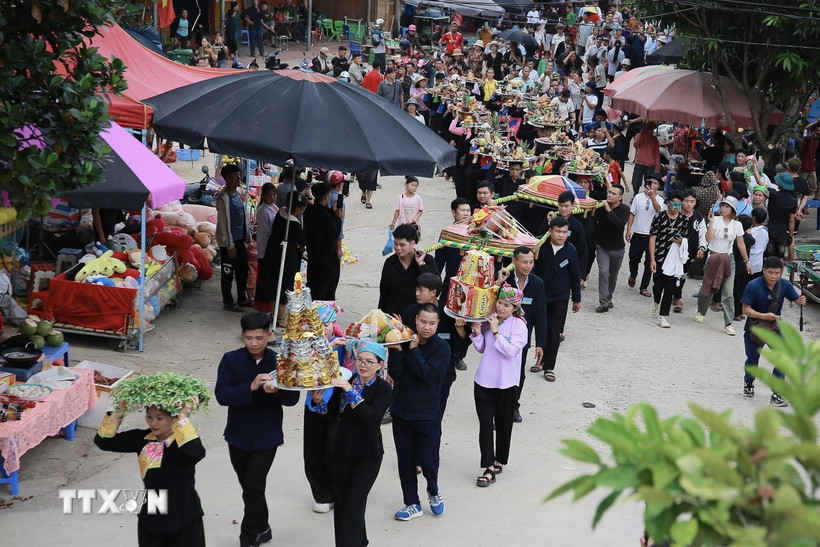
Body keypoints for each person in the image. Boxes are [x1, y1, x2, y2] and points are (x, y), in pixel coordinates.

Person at [215, 312, 300, 547]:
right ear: (242, 336)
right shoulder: (230, 360)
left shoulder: (281, 361)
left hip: (267, 436)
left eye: (259, 338)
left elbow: (292, 400)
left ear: (269, 335)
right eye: (249, 338)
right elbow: (222, 395)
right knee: (250, 487)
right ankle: (263, 527)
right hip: (237, 435)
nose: (254, 343)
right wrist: (250, 387)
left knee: (253, 485)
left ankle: (248, 537)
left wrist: (278, 392)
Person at [308, 341, 392, 547]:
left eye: (369, 362)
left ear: (380, 365)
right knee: (343, 504)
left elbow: (371, 419)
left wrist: (350, 391)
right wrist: (319, 403)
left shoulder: (383, 389)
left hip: (368, 455)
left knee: (355, 506)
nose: (363, 365)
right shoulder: (348, 380)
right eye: (360, 360)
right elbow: (332, 415)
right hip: (342, 451)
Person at [94, 395, 205, 546]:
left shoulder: (184, 441)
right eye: (149, 417)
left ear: (173, 418)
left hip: (184, 516)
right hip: (152, 517)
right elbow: (103, 441)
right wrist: (119, 410)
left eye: (160, 418)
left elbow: (196, 453)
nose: (153, 423)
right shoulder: (142, 439)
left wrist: (182, 418)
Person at [388, 302, 450, 521]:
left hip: (427, 414)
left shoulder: (442, 348)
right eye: (423, 322)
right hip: (402, 412)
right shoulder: (404, 341)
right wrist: (396, 351)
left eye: (432, 323)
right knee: (405, 461)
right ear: (415, 320)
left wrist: (413, 351)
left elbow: (427, 375)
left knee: (429, 460)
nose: (426, 327)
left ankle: (433, 489)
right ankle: (412, 503)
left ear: (437, 324)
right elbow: (395, 373)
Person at [470, 284, 528, 487]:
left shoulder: (519, 326)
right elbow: (482, 349)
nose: (501, 308)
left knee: (504, 424)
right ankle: (488, 467)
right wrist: (478, 332)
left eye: (506, 305)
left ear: (515, 308)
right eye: (500, 303)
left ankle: (499, 459)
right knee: (485, 425)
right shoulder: (489, 321)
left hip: (507, 383)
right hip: (484, 381)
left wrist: (496, 332)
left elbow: (510, 351)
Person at [741, 256, 807, 406]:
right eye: (770, 272)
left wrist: (800, 301)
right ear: (763, 271)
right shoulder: (753, 285)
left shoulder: (785, 284)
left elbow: (796, 300)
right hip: (754, 328)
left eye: (777, 273)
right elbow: (745, 309)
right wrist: (763, 316)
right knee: (752, 359)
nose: (773, 276)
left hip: (775, 327)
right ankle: (748, 383)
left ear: (781, 272)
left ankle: (776, 394)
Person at [303, 303, 348, 514]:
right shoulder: (304, 345)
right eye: (319, 324)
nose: (324, 329)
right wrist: (329, 347)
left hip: (338, 403)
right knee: (313, 450)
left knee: (335, 448)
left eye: (328, 324)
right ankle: (321, 494)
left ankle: (339, 491)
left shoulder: (344, 344)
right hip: (314, 402)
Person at [496, 247, 546, 423]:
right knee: (499, 371)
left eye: (531, 262)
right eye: (524, 261)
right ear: (514, 261)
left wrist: (540, 343)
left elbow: (540, 314)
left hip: (520, 339)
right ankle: (496, 408)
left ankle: (514, 406)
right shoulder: (503, 280)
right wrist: (497, 282)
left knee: (518, 373)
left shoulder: (537, 283)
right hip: (499, 335)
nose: (528, 265)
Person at [695, 196, 752, 336]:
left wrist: (746, 261)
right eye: (723, 206)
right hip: (713, 257)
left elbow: (740, 244)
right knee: (706, 288)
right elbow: (708, 239)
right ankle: (701, 311)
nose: (724, 208)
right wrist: (711, 223)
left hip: (728, 258)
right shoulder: (715, 220)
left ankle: (728, 323)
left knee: (728, 292)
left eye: (727, 206)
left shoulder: (737, 225)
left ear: (733, 209)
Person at [534, 216, 582, 382]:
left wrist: (577, 299)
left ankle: (549, 367)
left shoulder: (571, 250)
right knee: (540, 329)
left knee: (554, 332)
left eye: (564, 232)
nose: (561, 235)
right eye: (558, 231)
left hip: (560, 298)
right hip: (540, 297)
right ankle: (539, 360)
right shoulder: (540, 247)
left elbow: (575, 276)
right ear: (550, 231)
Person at [254, 192, 307, 323]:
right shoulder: (293, 223)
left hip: (273, 254)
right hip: (286, 258)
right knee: (284, 286)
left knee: (273, 284)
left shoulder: (280, 212)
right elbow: (302, 240)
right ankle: (280, 318)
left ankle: (273, 313)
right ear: (298, 209)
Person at [648, 190, 689, 328]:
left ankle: (663, 316)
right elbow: (652, 238)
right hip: (660, 256)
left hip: (674, 258)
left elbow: (687, 239)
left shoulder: (684, 220)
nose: (676, 207)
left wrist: (681, 241)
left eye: (679, 204)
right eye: (674, 204)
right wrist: (652, 259)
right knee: (658, 285)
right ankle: (656, 301)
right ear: (667, 203)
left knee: (669, 287)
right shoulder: (659, 217)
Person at [378, 223, 438, 315]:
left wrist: (421, 265)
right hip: (395, 317)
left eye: (402, 245)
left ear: (412, 243)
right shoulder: (390, 263)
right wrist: (381, 315)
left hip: (420, 316)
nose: (398, 248)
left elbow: (436, 288)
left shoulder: (427, 260)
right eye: (395, 244)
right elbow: (384, 293)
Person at [216, 164, 252, 312]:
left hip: (239, 240)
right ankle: (228, 301)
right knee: (228, 273)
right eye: (236, 175)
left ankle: (242, 298)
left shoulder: (238, 192)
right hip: (229, 242)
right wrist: (229, 245)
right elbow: (224, 223)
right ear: (228, 178)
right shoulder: (223, 198)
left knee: (242, 270)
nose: (239, 177)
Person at [626, 173, 665, 298]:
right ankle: (633, 274)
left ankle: (644, 287)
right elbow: (632, 213)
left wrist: (653, 197)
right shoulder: (638, 197)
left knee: (649, 262)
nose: (652, 185)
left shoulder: (660, 200)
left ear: (658, 186)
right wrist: (628, 229)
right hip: (638, 233)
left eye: (655, 184)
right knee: (633, 258)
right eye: (651, 182)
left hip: (652, 236)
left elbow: (659, 211)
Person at [594, 185, 631, 313]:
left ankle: (608, 297)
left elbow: (620, 225)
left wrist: (609, 211)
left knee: (613, 276)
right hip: (602, 247)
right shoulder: (601, 206)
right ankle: (603, 302)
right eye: (609, 192)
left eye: (613, 194)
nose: (610, 195)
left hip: (617, 249)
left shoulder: (625, 209)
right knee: (604, 273)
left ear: (620, 197)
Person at [304, 182, 343, 300]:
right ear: (327, 196)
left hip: (313, 255)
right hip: (325, 259)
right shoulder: (326, 216)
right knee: (324, 289)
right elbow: (335, 233)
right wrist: (338, 219)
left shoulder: (309, 210)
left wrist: (332, 211)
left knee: (314, 286)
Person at [671, 189, 708, 313]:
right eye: (686, 201)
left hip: (688, 253)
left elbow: (703, 235)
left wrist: (702, 248)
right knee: (670, 274)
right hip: (672, 250)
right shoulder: (675, 214)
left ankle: (677, 297)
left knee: (682, 275)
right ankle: (672, 294)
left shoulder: (698, 217)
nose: (689, 204)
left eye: (692, 201)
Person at [766, 172, 798, 261]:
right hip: (782, 232)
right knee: (780, 257)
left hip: (770, 229)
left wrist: (755, 168)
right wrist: (790, 236)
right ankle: (779, 274)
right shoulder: (793, 201)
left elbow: (761, 183)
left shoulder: (773, 194)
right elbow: (791, 220)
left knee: (769, 257)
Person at [732, 214, 756, 321]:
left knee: (736, 290)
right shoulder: (750, 238)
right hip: (746, 267)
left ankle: (736, 313)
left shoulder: (737, 239)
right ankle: (741, 312)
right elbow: (752, 240)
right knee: (742, 290)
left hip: (736, 266)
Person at [631, 122, 661, 195]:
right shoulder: (639, 135)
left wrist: (657, 168)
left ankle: (646, 196)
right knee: (636, 182)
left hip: (650, 165)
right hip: (639, 163)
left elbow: (657, 154)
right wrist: (642, 134)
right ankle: (635, 194)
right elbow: (636, 145)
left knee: (648, 184)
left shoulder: (654, 140)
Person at [748, 207, 769, 278]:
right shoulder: (765, 231)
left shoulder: (751, 232)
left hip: (750, 261)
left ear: (753, 218)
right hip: (759, 262)